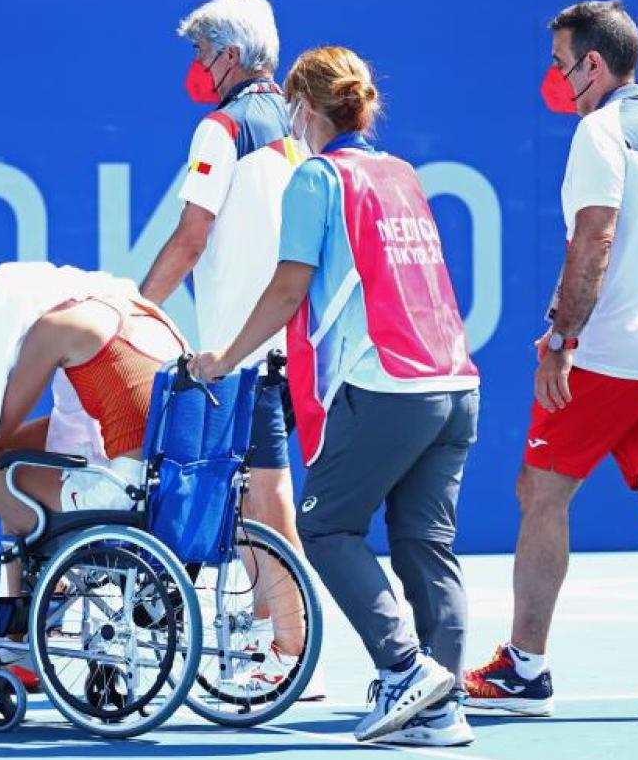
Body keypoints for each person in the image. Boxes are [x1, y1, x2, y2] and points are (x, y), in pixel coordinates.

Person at [463, 0, 638, 721]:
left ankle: (523, 668)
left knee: (541, 490)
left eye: (560, 62)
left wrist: (562, 339)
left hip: (613, 354)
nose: (554, 75)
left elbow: (593, 243)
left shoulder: (600, 131)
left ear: (593, 63)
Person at [190, 46, 481, 746]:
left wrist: (224, 356)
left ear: (306, 108)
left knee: (325, 528)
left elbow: (289, 288)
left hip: (387, 386)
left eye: (292, 105)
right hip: (455, 385)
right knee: (425, 546)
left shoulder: (316, 178)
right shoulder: (401, 173)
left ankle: (407, 670)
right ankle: (440, 706)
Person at [140, 0, 322, 697]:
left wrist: (131, 307)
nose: (196, 66)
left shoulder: (221, 128)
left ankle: (291, 648)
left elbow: (190, 241)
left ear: (231, 55)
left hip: (242, 354)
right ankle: (277, 636)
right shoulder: (298, 126)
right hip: (287, 347)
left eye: (200, 52)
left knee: (266, 502)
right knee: (255, 501)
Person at [0, 264, 188, 661]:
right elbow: (80, 430)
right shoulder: (142, 314)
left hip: (120, 504)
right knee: (8, 470)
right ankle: (25, 642)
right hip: (170, 497)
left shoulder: (56, 326)